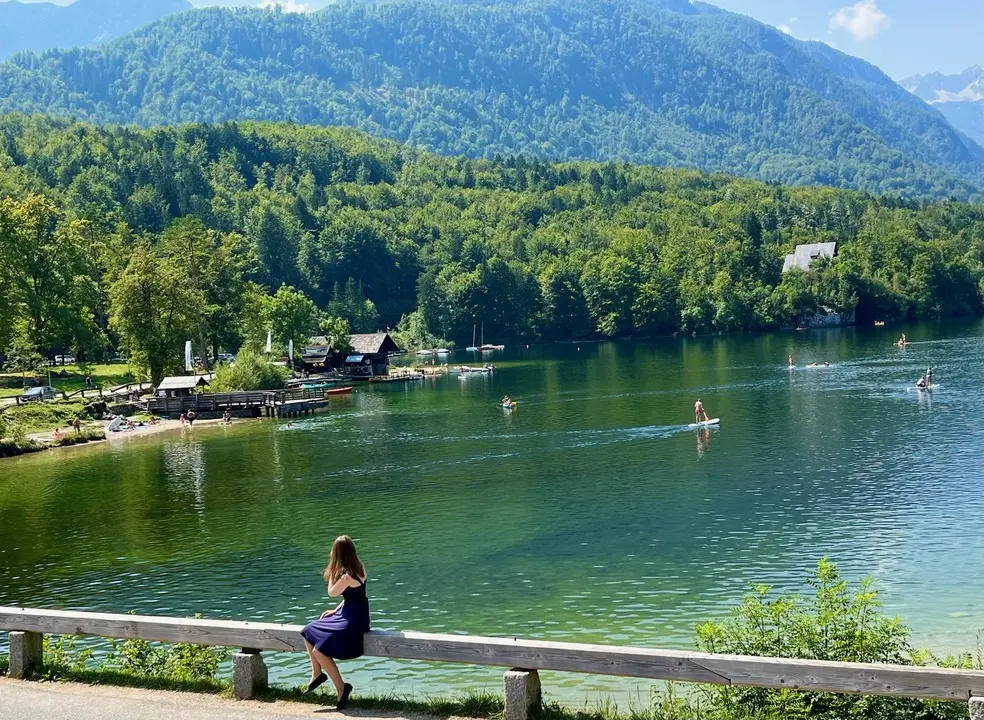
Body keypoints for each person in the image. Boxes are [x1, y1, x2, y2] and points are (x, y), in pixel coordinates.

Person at [301, 535, 369, 709]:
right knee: (308, 630)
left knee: (318, 651)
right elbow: (353, 597)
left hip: (354, 620)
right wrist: (336, 610)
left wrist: (335, 570)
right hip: (349, 613)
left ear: (337, 554)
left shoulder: (349, 574)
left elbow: (331, 592)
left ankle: (341, 688)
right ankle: (317, 673)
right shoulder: (359, 567)